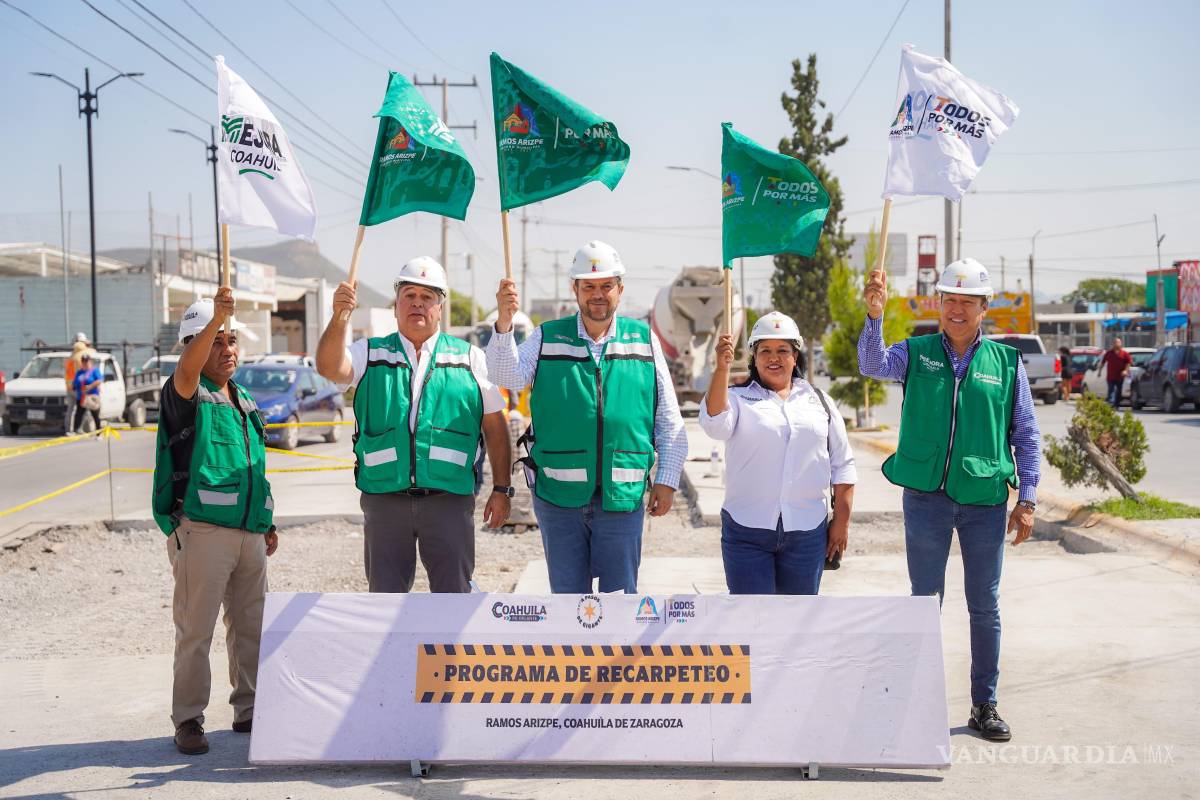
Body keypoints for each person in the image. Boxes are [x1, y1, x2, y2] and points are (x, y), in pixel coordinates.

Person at [859, 257, 1041, 743]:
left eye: (967, 302)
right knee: (924, 601)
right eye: (950, 300)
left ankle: (985, 703)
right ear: (940, 304)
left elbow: (1025, 433)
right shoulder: (916, 352)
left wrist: (1029, 498)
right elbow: (871, 364)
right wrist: (874, 317)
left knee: (984, 605)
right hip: (926, 498)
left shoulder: (1005, 363)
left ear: (985, 308)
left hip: (984, 498)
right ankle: (916, 699)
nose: (957, 309)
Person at [487, 240, 688, 594]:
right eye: (589, 286)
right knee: (568, 605)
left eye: (606, 286)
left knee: (620, 603)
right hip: (558, 499)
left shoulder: (644, 340)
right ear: (575, 290)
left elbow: (669, 419)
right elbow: (506, 376)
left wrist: (667, 480)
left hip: (621, 497)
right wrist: (504, 324)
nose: (598, 294)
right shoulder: (547, 336)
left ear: (620, 290)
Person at [316, 257, 511, 593]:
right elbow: (330, 367)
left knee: (453, 599)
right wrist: (339, 317)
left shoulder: (470, 358)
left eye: (427, 296)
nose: (417, 303)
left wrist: (502, 489)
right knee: (386, 600)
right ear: (396, 305)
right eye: (409, 295)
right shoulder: (370, 353)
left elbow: (495, 426)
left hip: (448, 499)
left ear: (440, 307)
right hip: (384, 499)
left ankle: (450, 649)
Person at [151, 290, 279, 756]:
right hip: (201, 531)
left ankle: (249, 709)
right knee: (196, 631)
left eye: (231, 341)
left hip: (248, 533)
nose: (227, 349)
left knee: (250, 628)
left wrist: (266, 520)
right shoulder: (186, 392)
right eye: (217, 341)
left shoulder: (242, 400)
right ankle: (187, 719)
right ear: (195, 345)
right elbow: (187, 368)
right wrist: (218, 316)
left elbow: (254, 468)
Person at [701, 312, 856, 595]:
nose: (774, 358)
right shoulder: (736, 399)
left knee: (797, 625)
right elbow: (714, 424)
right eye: (765, 351)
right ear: (754, 358)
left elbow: (843, 465)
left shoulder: (820, 402)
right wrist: (721, 369)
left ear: (795, 356)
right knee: (754, 622)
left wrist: (841, 523)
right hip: (746, 531)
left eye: (782, 350)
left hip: (807, 533)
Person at [69, 352, 102, 433]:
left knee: (95, 415)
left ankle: (99, 432)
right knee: (79, 414)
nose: (85, 363)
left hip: (92, 396)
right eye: (83, 361)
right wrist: (74, 386)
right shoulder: (79, 372)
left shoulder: (94, 371)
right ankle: (76, 430)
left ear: (90, 361)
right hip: (82, 396)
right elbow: (75, 383)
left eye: (86, 361)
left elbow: (99, 380)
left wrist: (90, 386)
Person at [1097, 338, 1132, 408]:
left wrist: (1125, 370)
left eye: (1118, 342)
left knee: (1119, 390)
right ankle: (1111, 403)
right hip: (1110, 376)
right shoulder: (1109, 353)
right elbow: (1103, 362)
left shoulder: (1124, 354)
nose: (1117, 344)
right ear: (1113, 344)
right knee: (1111, 389)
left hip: (1120, 376)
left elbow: (1129, 362)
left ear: (1121, 344)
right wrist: (1099, 371)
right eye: (1115, 342)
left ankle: (1117, 403)